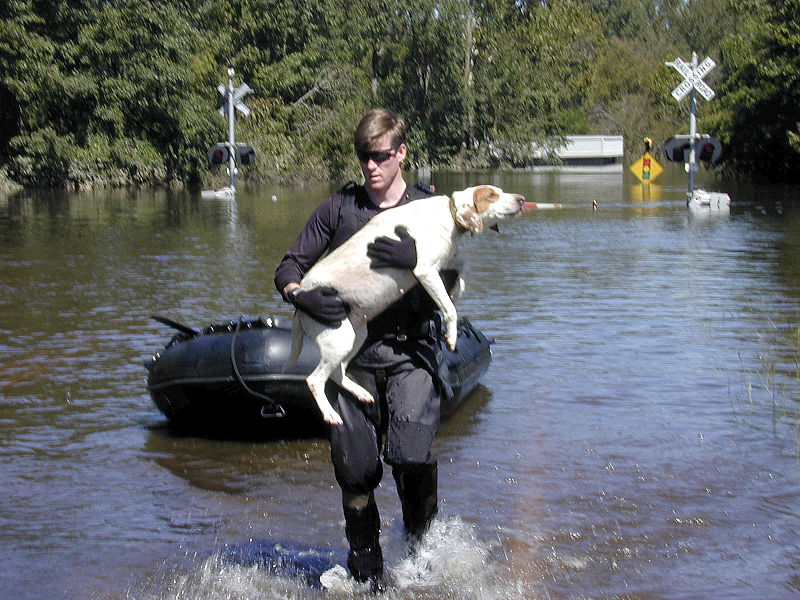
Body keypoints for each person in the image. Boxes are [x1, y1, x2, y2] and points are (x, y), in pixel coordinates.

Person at [274, 108, 455, 590]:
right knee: (354, 471)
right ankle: (366, 565)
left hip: (410, 352)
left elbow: (454, 282)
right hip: (353, 359)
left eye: (378, 156)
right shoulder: (337, 209)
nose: (369, 167)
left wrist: (418, 261)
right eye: (363, 157)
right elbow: (288, 266)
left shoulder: (429, 207)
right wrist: (299, 295)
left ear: (401, 154)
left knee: (411, 454)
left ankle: (420, 548)